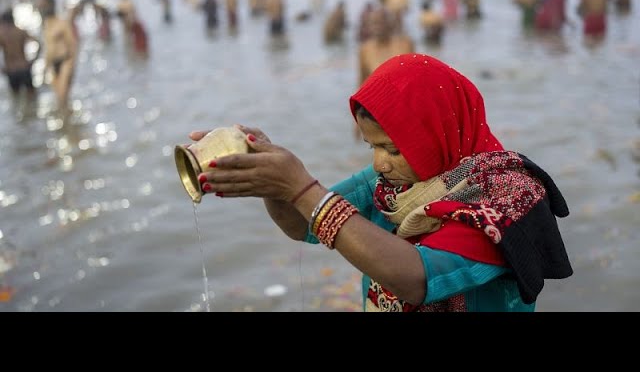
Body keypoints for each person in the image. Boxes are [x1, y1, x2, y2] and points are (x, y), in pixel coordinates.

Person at [190, 53, 573, 312]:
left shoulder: (505, 197)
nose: (378, 163)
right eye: (372, 146)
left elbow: (415, 278)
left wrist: (301, 188)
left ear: (433, 135)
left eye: (392, 149)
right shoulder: (391, 185)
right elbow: (303, 225)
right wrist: (273, 185)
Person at [38, 0, 79, 113]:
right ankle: (67, 122)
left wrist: (71, 65)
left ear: (51, 5)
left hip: (65, 62)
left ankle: (68, 125)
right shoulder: (46, 24)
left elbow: (73, 45)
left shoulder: (62, 23)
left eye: (44, 6)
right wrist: (44, 69)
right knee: (60, 99)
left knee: (62, 96)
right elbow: (48, 49)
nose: (41, 8)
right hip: (52, 65)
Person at [0, 7, 41, 101]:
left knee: (16, 98)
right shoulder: (21, 31)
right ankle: (30, 115)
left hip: (11, 70)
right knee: (32, 97)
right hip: (24, 67)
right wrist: (34, 60)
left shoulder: (2, 35)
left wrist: (1, 67)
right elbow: (38, 43)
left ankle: (19, 115)